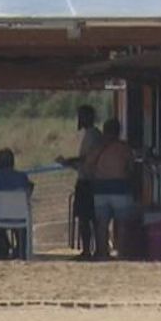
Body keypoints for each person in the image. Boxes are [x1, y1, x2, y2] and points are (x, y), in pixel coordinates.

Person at [86, 118, 135, 260]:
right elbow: (131, 167)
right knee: (122, 223)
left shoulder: (97, 147)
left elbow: (88, 164)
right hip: (120, 187)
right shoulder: (124, 148)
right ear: (119, 131)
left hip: (100, 188)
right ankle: (122, 253)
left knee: (102, 223)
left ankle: (103, 253)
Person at [63, 105, 104, 258]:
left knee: (86, 217)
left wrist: (69, 161)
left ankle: (88, 250)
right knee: (88, 218)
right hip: (86, 179)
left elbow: (87, 159)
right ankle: (91, 249)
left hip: (87, 182)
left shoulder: (93, 135)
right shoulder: (90, 134)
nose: (79, 119)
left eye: (82, 116)